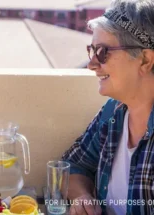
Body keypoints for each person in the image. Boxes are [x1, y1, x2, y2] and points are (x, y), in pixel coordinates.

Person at [62, 0, 154, 214]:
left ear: (145, 60)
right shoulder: (114, 113)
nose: (92, 64)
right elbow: (73, 166)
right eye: (92, 50)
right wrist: (83, 197)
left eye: (103, 52)